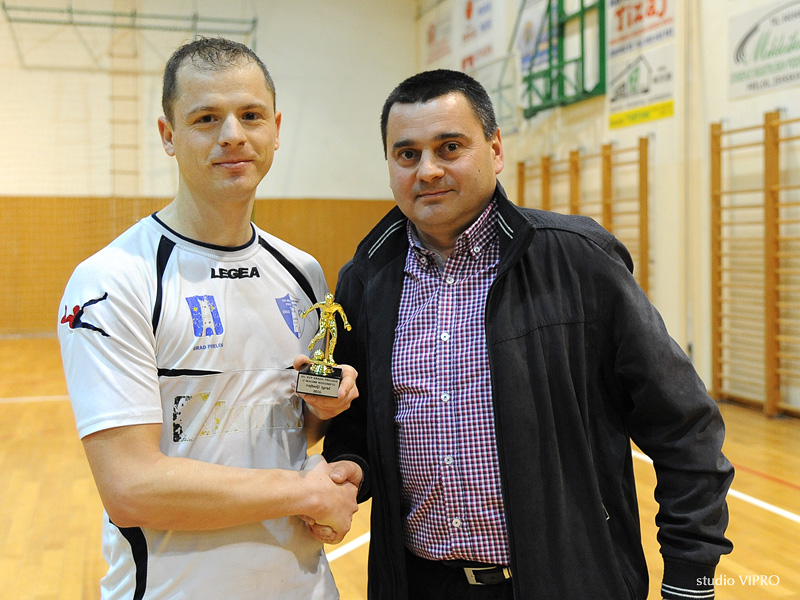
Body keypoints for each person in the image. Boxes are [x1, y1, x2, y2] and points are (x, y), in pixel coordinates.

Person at [322, 69, 734, 600]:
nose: (428, 170)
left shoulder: (579, 260)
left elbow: (683, 423)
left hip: (572, 582)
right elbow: (356, 429)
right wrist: (351, 470)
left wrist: (691, 576)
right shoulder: (365, 278)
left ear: (495, 150)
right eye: (407, 154)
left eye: (450, 147)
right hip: (419, 585)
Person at [58, 37, 361, 600]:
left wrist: (322, 408)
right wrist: (303, 492)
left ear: (275, 128)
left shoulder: (303, 274)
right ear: (168, 135)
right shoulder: (114, 280)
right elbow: (131, 488)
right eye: (205, 118)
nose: (232, 135)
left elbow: (287, 431)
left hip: (304, 587)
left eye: (251, 115)